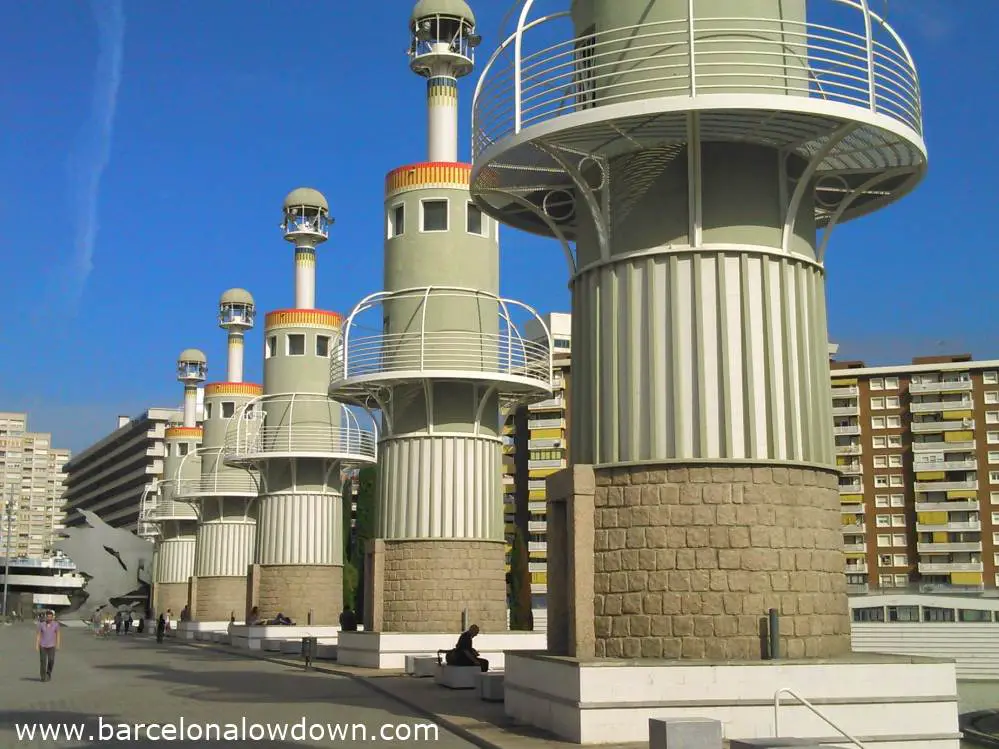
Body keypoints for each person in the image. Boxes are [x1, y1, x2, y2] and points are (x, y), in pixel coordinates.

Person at [35, 610, 61, 681]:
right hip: (43, 645)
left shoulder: (56, 624)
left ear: (52, 617)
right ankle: (43, 676)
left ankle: (48, 673)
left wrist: (58, 644)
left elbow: (58, 634)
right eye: (48, 617)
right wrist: (37, 645)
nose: (49, 618)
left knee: (51, 660)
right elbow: (38, 635)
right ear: (46, 617)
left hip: (52, 646)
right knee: (43, 661)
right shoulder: (41, 624)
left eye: (50, 617)